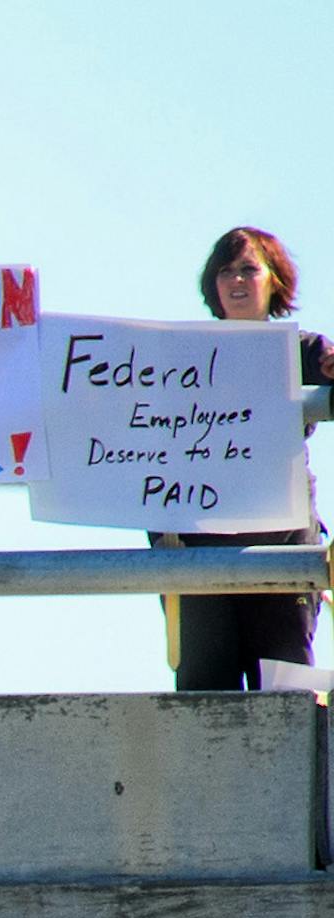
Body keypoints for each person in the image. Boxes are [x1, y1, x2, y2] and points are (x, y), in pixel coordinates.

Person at [166, 226, 332, 690]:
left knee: (287, 695)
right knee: (203, 700)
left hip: (281, 549)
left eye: (248, 269)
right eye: (225, 271)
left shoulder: (305, 351)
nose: (236, 280)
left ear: (274, 280)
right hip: (199, 553)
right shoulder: (175, 358)